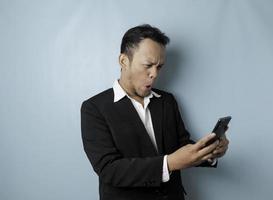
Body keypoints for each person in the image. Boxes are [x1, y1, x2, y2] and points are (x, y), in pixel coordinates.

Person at [81, 24, 229, 200]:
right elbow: (109, 169)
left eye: (159, 67)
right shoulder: (94, 108)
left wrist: (209, 152)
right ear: (123, 61)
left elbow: (181, 145)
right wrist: (169, 163)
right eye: (148, 65)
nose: (154, 74)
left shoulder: (167, 101)